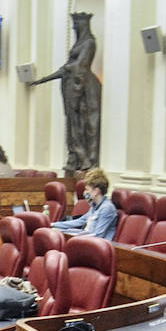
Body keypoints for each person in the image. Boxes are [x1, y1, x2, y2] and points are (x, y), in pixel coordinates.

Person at [31, 12, 101, 175]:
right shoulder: (80, 43)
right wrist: (43, 79)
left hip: (83, 87)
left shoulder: (89, 43)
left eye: (77, 25)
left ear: (83, 25)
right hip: (72, 87)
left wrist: (68, 69)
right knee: (72, 126)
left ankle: (85, 159)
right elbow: (67, 67)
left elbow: (80, 65)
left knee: (83, 126)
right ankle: (75, 157)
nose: (74, 27)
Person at [52, 167, 118, 240]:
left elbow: (98, 235)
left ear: (96, 191)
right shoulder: (94, 206)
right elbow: (80, 221)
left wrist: (76, 238)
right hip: (86, 240)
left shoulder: (107, 208)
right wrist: (53, 225)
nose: (85, 193)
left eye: (87, 189)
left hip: (96, 246)